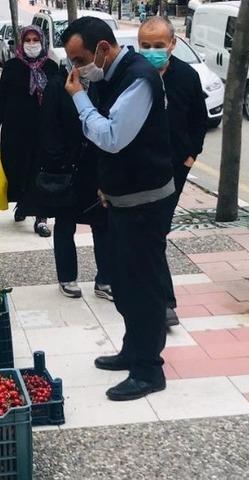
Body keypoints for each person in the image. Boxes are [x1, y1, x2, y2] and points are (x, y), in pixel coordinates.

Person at [62, 17, 175, 401]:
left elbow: (112, 137)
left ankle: (149, 370)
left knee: (143, 286)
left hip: (146, 203)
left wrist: (78, 98)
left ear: (103, 49)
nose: (76, 69)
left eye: (79, 59)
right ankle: (133, 350)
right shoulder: (111, 75)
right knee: (125, 284)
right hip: (123, 201)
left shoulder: (139, 78)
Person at [139, 17, 207, 327]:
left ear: (172, 44)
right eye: (145, 46)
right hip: (140, 166)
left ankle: (165, 302)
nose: (152, 52)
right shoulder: (134, 76)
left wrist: (191, 156)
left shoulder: (187, 76)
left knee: (155, 232)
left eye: (158, 46)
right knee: (148, 233)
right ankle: (151, 294)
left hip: (175, 168)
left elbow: (199, 119)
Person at [40, 60, 114, 301]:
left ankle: (105, 279)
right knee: (65, 223)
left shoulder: (104, 82)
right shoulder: (57, 86)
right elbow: (48, 127)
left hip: (97, 168)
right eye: (78, 59)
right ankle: (67, 277)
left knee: (102, 224)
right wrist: (59, 163)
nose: (84, 64)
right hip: (68, 169)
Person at [0, 26, 60, 237]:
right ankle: (22, 204)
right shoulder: (12, 67)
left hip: (44, 131)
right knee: (19, 169)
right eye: (27, 40)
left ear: (42, 41)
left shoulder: (52, 67)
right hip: (16, 131)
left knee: (41, 172)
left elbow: (60, 99)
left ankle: (41, 217)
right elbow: (1, 97)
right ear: (21, 43)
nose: (31, 44)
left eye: (35, 39)